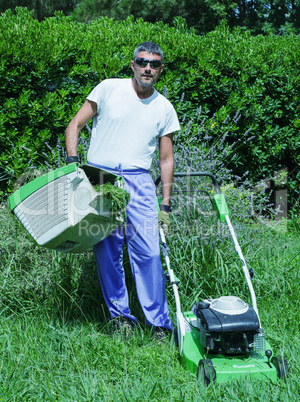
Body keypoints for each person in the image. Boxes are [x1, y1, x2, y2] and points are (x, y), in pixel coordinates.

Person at [65, 41, 180, 337]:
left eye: (154, 64)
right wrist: (74, 166)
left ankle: (158, 325)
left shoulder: (164, 108)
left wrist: (164, 206)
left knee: (150, 253)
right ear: (133, 64)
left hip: (139, 181)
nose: (147, 68)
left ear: (160, 70)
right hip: (100, 180)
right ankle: (121, 320)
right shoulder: (108, 88)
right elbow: (75, 125)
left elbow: (166, 159)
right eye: (142, 62)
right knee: (107, 251)